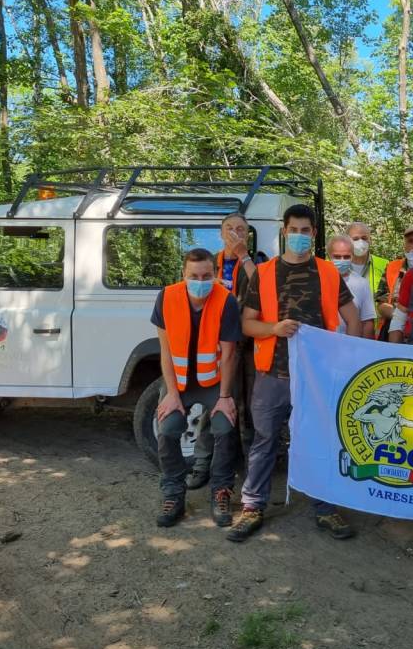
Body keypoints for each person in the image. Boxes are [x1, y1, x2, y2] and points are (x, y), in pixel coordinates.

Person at [229, 204, 362, 543]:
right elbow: (247, 323)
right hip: (272, 374)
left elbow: (354, 318)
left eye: (306, 231)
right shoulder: (266, 272)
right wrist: (274, 328)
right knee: (264, 440)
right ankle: (252, 507)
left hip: (317, 377)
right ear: (284, 232)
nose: (300, 236)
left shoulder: (329, 273)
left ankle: (324, 507)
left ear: (314, 234)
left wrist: (347, 360)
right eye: (294, 230)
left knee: (319, 441)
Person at [151, 248, 242, 529]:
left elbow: (228, 354)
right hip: (178, 383)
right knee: (167, 430)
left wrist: (226, 397)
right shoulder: (166, 297)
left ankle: (221, 491)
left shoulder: (226, 301)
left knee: (225, 428)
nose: (200, 281)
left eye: (206, 275)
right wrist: (172, 394)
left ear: (214, 275)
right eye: (194, 276)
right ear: (184, 275)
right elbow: (165, 351)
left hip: (214, 382)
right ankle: (173, 494)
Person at [185, 213, 258, 489]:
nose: (235, 233)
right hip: (212, 346)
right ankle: (202, 464)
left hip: (246, 346)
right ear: (220, 232)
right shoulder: (209, 263)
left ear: (248, 234)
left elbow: (262, 287)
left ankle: (252, 469)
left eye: (241, 229)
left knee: (248, 410)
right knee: (212, 405)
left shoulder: (256, 262)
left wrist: (244, 256)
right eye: (229, 228)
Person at [374, 225, 413, 339]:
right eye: (410, 241)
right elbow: (381, 303)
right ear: (405, 246)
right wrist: (402, 317)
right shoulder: (392, 268)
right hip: (395, 332)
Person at [329, 234, 377, 338]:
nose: (342, 260)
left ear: (352, 256)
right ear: (329, 256)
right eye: (337, 257)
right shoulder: (320, 278)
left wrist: (364, 349)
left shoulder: (362, 284)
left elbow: (367, 322)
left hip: (351, 345)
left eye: (346, 257)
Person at [347, 222, 388, 321]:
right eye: (355, 239)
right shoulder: (333, 265)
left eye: (364, 238)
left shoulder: (385, 265)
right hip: (343, 331)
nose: (360, 242)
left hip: (374, 332)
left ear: (371, 240)